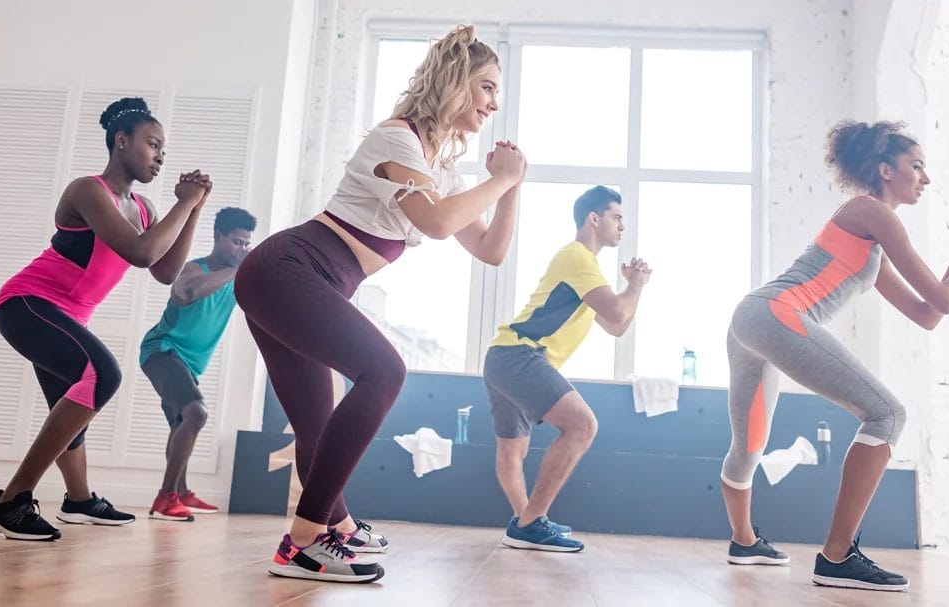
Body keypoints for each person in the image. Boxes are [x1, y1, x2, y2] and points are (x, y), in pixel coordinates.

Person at [234, 24, 527, 583]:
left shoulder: (438, 166)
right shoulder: (398, 139)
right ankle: (302, 542)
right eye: (487, 87)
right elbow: (437, 223)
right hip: (290, 269)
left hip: (298, 281)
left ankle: (336, 529)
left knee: (316, 427)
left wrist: (509, 187)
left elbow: (490, 251)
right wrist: (499, 180)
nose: (494, 103)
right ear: (456, 82)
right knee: (385, 370)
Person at [719, 120, 949, 591]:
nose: (925, 178)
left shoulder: (869, 244)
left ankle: (744, 542)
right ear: (886, 170)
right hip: (774, 313)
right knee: (886, 414)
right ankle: (838, 557)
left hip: (752, 319)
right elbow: (945, 301)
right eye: (917, 166)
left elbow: (928, 313)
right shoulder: (873, 212)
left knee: (749, 447)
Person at [0, 97, 212, 540]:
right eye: (153, 144)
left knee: (69, 406)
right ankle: (9, 502)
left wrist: (194, 210)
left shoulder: (143, 208)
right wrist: (184, 203)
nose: (160, 156)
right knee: (102, 375)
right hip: (28, 303)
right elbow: (141, 254)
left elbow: (164, 272)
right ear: (121, 142)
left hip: (65, 315)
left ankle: (79, 500)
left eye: (164, 149)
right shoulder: (88, 190)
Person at [487, 186, 651, 552]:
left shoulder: (583, 268)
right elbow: (619, 313)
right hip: (519, 355)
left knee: (513, 450)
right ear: (594, 218)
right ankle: (530, 523)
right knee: (583, 425)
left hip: (505, 355)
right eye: (617, 217)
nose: (623, 226)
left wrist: (630, 288)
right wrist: (636, 284)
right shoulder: (578, 258)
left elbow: (616, 326)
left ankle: (526, 523)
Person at [141, 207, 256, 521]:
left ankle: (181, 490)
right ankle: (166, 498)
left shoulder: (236, 280)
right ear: (217, 236)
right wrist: (237, 269)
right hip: (161, 351)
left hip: (189, 364)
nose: (242, 249)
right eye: (236, 242)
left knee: (181, 424)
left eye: (247, 244)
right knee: (196, 412)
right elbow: (189, 291)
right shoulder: (193, 270)